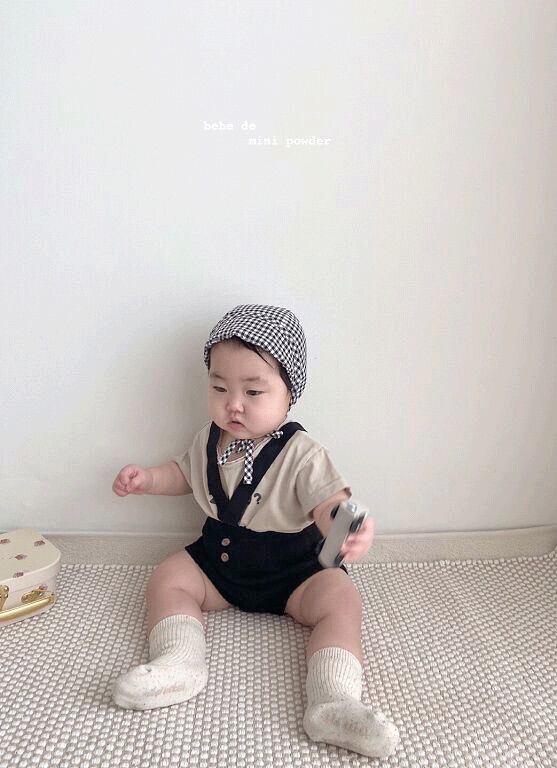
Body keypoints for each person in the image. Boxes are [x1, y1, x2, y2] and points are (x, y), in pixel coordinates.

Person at [111, 304, 399, 759]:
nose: (234, 404)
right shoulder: (208, 439)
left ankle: (333, 699)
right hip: (219, 563)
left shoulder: (302, 453)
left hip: (296, 573)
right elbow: (184, 474)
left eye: (253, 391)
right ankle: (179, 662)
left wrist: (348, 524)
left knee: (342, 600)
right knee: (168, 577)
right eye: (219, 387)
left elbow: (328, 502)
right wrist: (148, 479)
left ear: (289, 394)